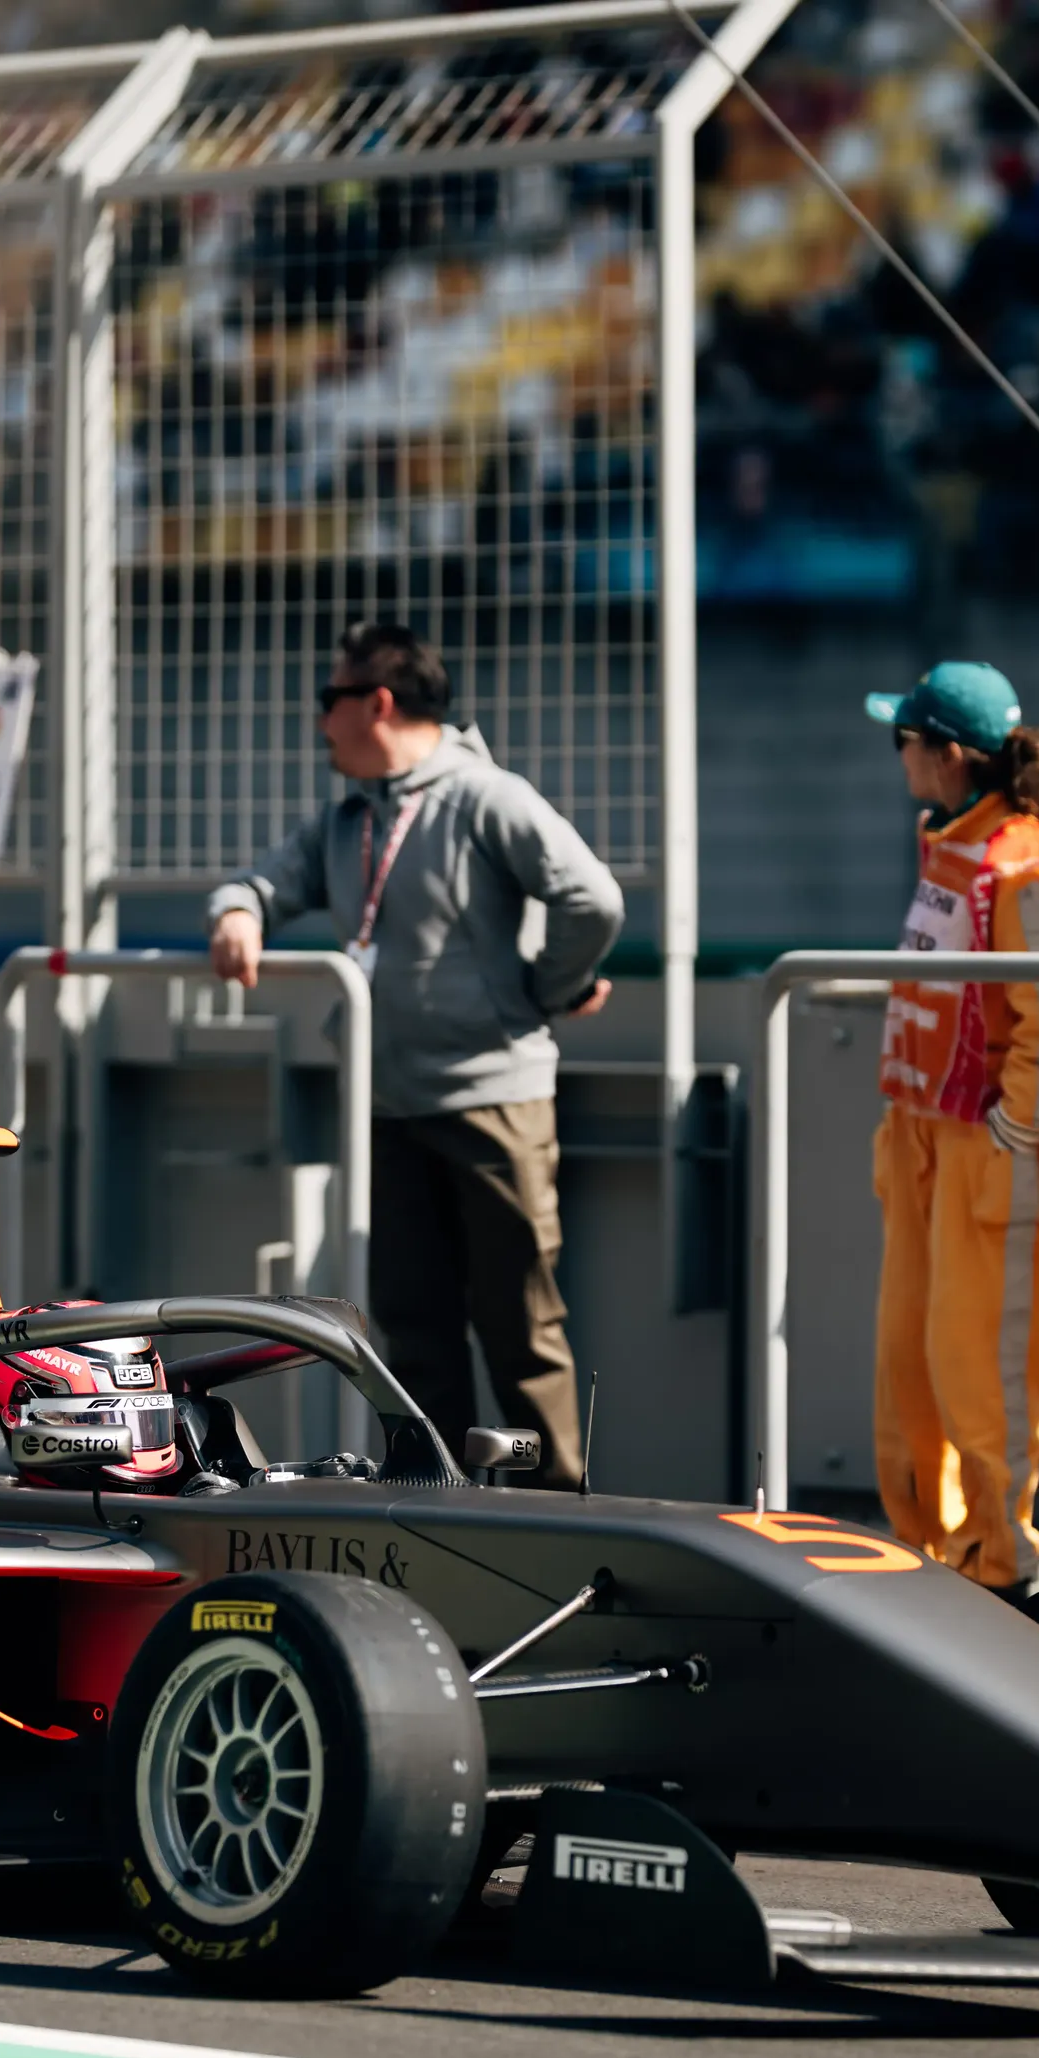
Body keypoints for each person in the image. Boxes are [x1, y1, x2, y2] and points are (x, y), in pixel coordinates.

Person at [204, 622, 623, 1483]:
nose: (320, 722)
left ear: (378, 704)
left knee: (521, 1330)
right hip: (389, 1109)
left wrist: (543, 991)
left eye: (330, 700)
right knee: (413, 1331)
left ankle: (559, 1516)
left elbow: (593, 898)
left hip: (491, 1102)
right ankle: (437, 1508)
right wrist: (239, 912)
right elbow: (261, 883)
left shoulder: (486, 798)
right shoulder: (348, 819)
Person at [865, 659, 1039, 1596]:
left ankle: (998, 1569)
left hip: (985, 1151)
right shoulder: (954, 840)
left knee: (984, 1374)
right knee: (910, 1372)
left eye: (904, 739)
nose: (898, 758)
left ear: (950, 754)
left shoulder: (1021, 855)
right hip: (925, 1141)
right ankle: (925, 1557)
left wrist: (1016, 1126)